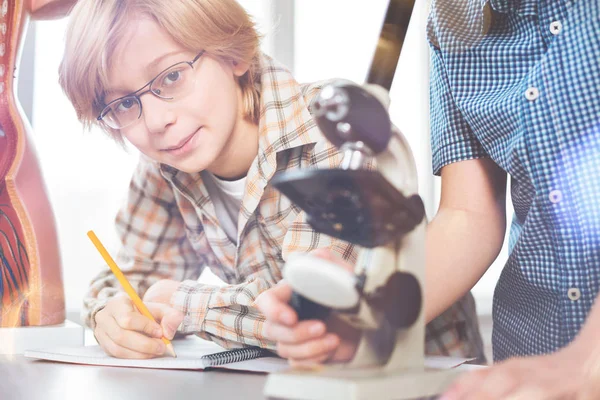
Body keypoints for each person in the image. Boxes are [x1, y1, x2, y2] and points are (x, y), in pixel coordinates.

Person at [57, 0, 486, 362]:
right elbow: (134, 279)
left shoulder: (332, 128)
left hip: (422, 377)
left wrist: (181, 304)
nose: (155, 121)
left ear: (232, 54)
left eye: (171, 76)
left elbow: (311, 314)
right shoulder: (166, 165)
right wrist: (109, 314)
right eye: (125, 104)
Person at [257, 0, 600, 397]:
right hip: (524, 360)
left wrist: (588, 360)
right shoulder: (452, 26)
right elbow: (468, 216)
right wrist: (367, 324)